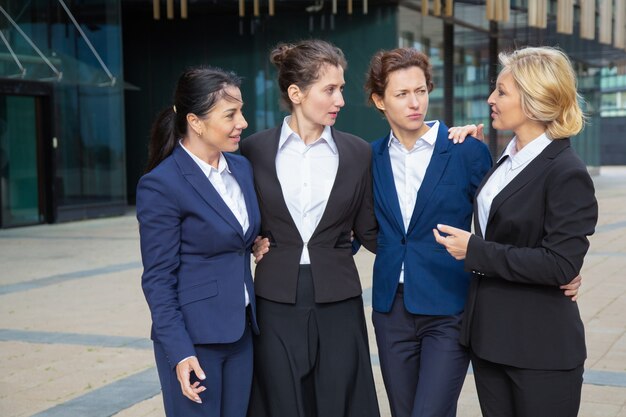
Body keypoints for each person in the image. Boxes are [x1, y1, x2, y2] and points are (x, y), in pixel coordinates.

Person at [434, 46, 598, 417]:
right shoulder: (505, 161)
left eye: (502, 92)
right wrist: (460, 146)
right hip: (491, 342)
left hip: (540, 349)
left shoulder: (565, 171)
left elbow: (559, 264)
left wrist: (474, 250)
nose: (491, 98)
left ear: (535, 100)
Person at [241, 39, 380, 417]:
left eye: (341, 89)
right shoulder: (252, 151)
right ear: (296, 93)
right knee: (281, 402)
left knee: (340, 401)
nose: (340, 100)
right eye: (330, 90)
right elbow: (234, 215)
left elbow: (371, 231)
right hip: (274, 298)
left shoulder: (357, 152)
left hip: (338, 299)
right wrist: (248, 244)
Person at [364, 47, 492, 417]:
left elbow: (498, 220)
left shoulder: (466, 150)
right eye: (402, 94)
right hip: (392, 311)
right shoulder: (370, 157)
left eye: (420, 91)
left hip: (448, 307)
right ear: (379, 101)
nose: (414, 102)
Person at [136, 66, 261, 417]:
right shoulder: (161, 184)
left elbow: (233, 237)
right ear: (196, 121)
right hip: (195, 341)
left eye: (241, 111)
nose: (243, 123)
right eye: (231, 114)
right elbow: (158, 279)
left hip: (241, 331)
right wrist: (179, 351)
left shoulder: (241, 169)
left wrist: (255, 243)